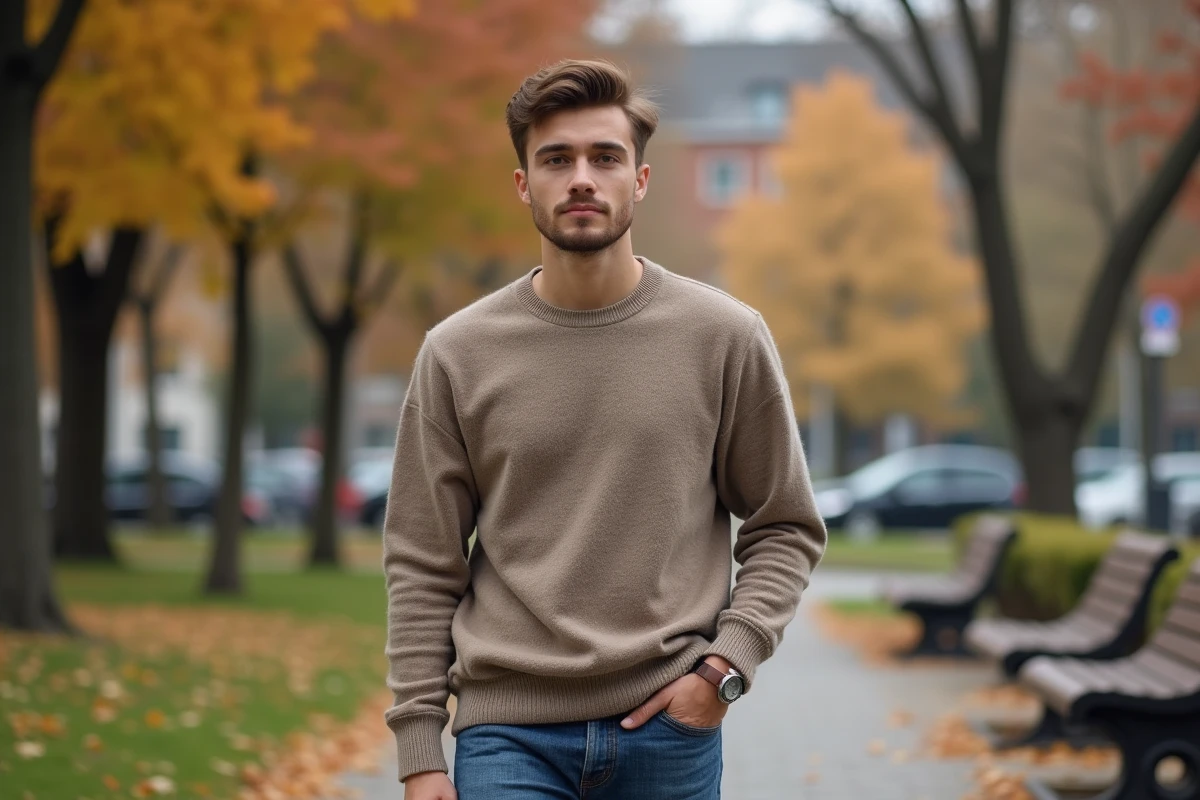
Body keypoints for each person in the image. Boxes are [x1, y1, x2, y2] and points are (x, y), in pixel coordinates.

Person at [383, 58, 827, 800]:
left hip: (669, 729)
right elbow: (423, 563)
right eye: (556, 159)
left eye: (605, 157)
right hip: (506, 735)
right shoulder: (457, 353)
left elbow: (785, 523)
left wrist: (722, 672)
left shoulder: (724, 336)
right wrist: (420, 748)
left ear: (640, 181)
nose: (581, 178)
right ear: (524, 184)